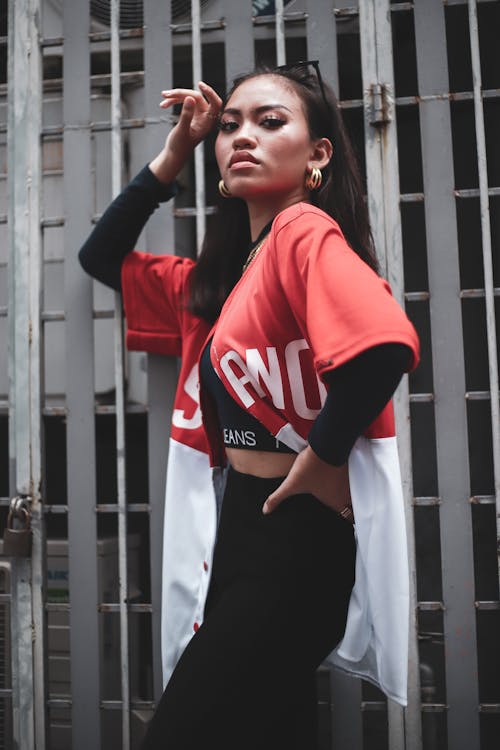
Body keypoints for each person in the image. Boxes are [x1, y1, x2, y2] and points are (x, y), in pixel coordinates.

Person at [79, 62, 419, 750]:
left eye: (270, 122)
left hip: (293, 539)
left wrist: (323, 458)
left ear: (317, 154)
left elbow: (385, 347)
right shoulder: (221, 282)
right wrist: (179, 147)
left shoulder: (302, 232)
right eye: (230, 125)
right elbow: (100, 255)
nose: (241, 137)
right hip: (240, 531)